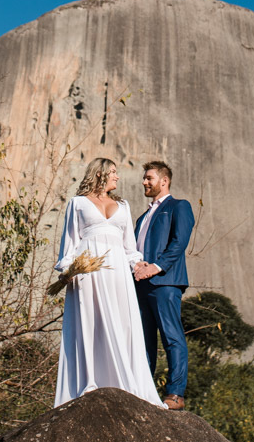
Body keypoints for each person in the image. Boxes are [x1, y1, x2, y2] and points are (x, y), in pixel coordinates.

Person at [53, 157, 166, 408]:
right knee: (90, 324)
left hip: (117, 273)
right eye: (113, 172)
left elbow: (129, 248)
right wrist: (69, 270)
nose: (117, 177)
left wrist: (138, 264)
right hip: (88, 272)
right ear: (100, 174)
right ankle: (90, 381)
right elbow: (69, 244)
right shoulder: (78, 204)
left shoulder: (123, 205)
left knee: (122, 322)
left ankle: (125, 384)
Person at [133, 160, 195, 411]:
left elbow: (179, 243)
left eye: (149, 178)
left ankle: (175, 394)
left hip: (165, 283)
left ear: (164, 181)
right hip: (139, 285)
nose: (144, 182)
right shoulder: (142, 217)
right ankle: (143, 390)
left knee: (172, 337)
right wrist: (137, 266)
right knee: (142, 340)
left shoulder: (179, 207)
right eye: (144, 178)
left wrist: (154, 267)